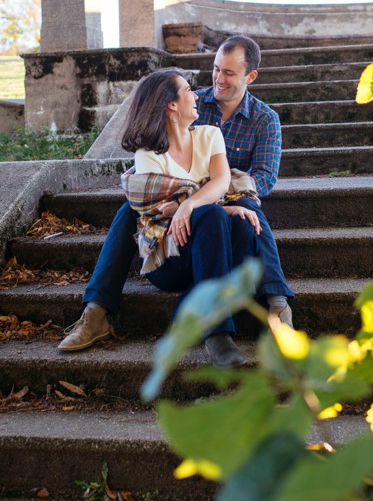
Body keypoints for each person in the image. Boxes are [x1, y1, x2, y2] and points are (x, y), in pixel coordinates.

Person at [58, 35, 294, 358]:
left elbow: (262, 179)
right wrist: (198, 197)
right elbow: (157, 181)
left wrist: (216, 197)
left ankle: (277, 306)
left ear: (250, 77)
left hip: (229, 200)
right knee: (130, 210)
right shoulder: (194, 104)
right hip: (180, 218)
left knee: (248, 209)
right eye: (215, 69)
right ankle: (97, 310)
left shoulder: (265, 120)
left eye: (229, 73)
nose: (217, 79)